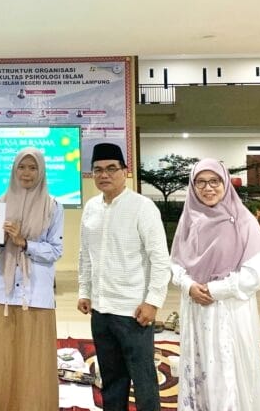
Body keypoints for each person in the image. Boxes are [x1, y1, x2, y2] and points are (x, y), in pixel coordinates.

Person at [170, 158, 260, 411]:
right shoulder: (189, 220)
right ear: (193, 187)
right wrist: (189, 286)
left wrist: (214, 290)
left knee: (228, 372)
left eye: (214, 181)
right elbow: (175, 264)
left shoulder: (244, 222)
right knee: (199, 368)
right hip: (195, 308)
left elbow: (256, 274)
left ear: (225, 183)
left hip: (229, 310)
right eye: (200, 182)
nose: (208, 188)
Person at [77, 143, 170, 411]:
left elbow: (160, 259)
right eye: (98, 170)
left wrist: (153, 302)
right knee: (111, 378)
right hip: (101, 310)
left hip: (133, 311)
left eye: (111, 168)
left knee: (144, 379)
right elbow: (85, 254)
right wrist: (85, 291)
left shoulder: (142, 207)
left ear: (125, 172)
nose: (104, 175)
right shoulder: (91, 208)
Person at [0, 147, 64, 411]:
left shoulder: (52, 206)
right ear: (14, 171)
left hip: (36, 294)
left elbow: (55, 251)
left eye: (33, 167)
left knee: (35, 360)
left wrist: (24, 242)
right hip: (5, 293)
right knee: (5, 358)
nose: (26, 173)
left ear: (41, 171)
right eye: (21, 167)